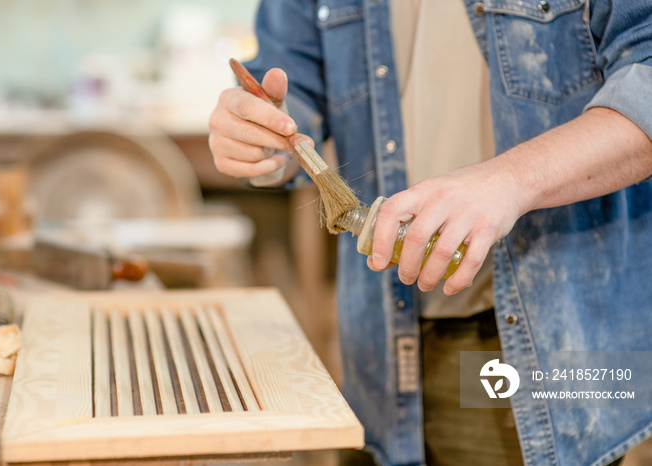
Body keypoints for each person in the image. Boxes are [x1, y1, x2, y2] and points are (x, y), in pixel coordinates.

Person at [208, 0, 652, 465]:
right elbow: (292, 90)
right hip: (377, 343)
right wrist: (258, 138)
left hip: (542, 343)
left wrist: (510, 180)